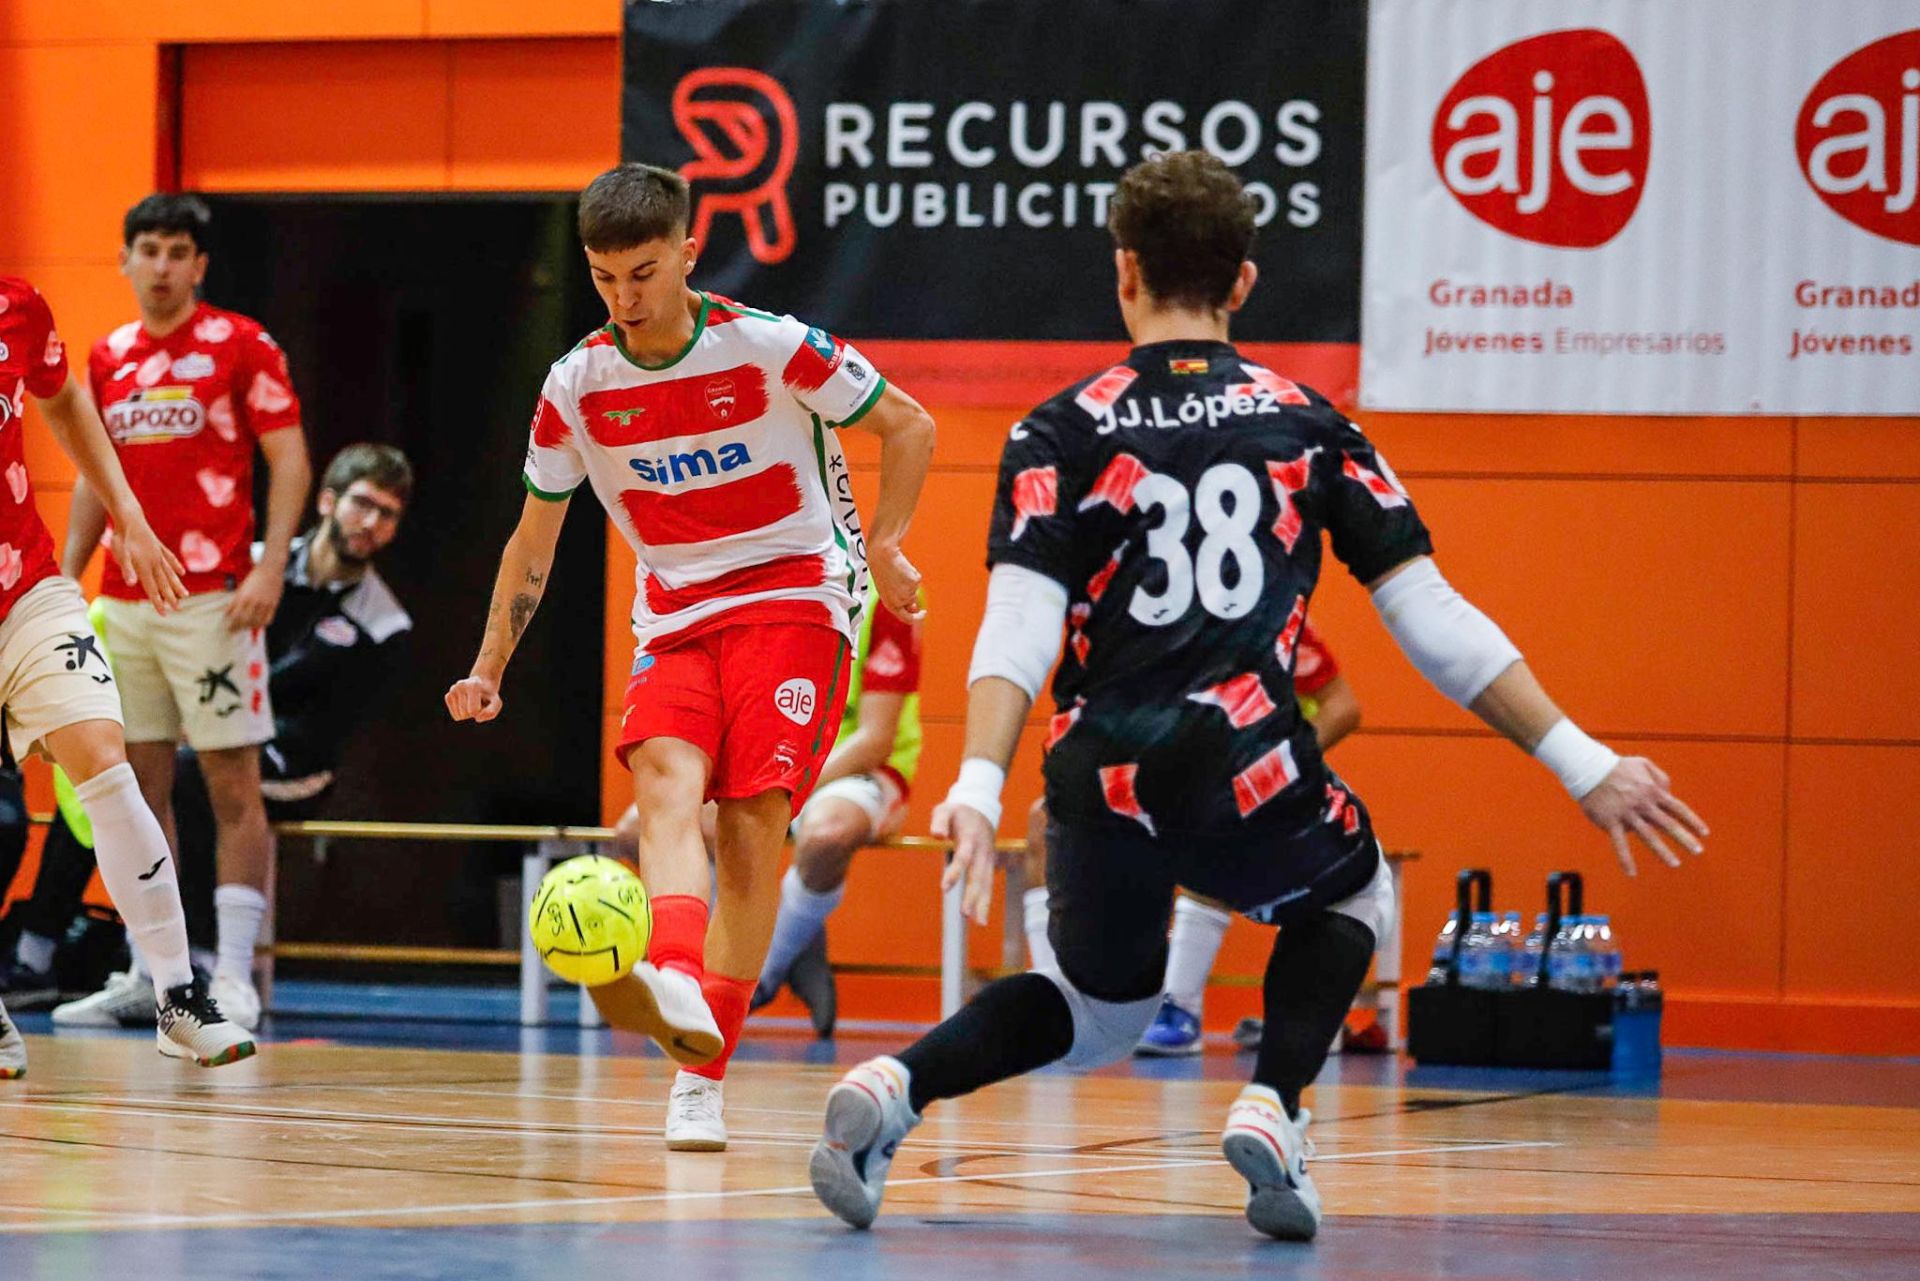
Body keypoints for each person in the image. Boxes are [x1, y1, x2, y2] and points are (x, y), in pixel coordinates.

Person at [807, 152, 1707, 1241]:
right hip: (1245, 754)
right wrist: (1581, 760)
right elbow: (1428, 614)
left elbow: (1020, 622)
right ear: (1243, 283)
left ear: (1124, 271)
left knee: (1094, 1013)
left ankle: (895, 1092)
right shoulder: (1307, 422)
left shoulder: (1058, 427)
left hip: (1100, 764)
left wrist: (980, 781)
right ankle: (1276, 1103)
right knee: (1353, 897)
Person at [447, 163, 933, 1151]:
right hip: (674, 614)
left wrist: (882, 543)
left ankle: (701, 1081)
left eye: (642, 272)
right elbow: (531, 541)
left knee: (752, 828)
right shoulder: (577, 383)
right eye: (605, 277)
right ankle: (672, 970)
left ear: (685, 253)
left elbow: (910, 424)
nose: (625, 298)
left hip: (797, 598)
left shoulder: (772, 346)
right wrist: (489, 663)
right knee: (666, 782)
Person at [41, 445, 413, 1029]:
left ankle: (217, 971)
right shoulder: (255, 564)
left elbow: (324, 734)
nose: (371, 524)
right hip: (214, 728)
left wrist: (223, 731)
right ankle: (123, 967)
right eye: (363, 504)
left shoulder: (384, 623)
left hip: (299, 764)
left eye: (388, 514)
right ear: (327, 502)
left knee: (203, 772)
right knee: (125, 772)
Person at [58, 193, 312, 1030]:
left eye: (177, 251)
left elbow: (291, 460)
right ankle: (155, 973)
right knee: (134, 789)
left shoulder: (242, 344)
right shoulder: (108, 357)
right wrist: (63, 582)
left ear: (199, 265)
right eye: (148, 250)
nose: (161, 265)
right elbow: (97, 479)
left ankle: (233, 975)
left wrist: (271, 565)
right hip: (125, 604)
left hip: (215, 600)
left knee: (235, 784)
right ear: (125, 260)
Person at [0, 275, 255, 1075]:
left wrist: (130, 517)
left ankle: (177, 994)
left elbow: (65, 398)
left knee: (108, 765)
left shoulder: (17, 305)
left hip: (27, 587)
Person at [1018, 618, 1359, 1057]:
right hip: (1157, 769)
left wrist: (1271, 765)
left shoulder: (1268, 609)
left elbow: (1342, 707)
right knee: (1044, 819)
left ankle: (1179, 1007)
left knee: (1211, 810)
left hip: (1251, 778)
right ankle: (1059, 1012)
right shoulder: (1128, 611)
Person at [609, 585, 924, 1053]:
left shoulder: (885, 593)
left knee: (827, 834)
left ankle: (762, 971)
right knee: (638, 828)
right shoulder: (758, 577)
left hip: (855, 770)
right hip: (773, 761)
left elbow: (875, 739)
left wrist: (782, 782)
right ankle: (785, 942)